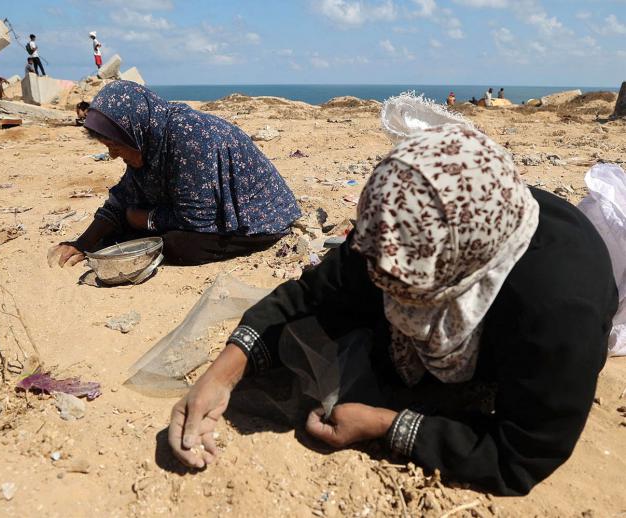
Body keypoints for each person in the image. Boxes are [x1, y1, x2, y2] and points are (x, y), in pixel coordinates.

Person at [167, 124, 618, 496]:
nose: (390, 291)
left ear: (454, 267)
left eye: (409, 288)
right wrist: (221, 375)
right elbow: (314, 293)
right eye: (381, 273)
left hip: (531, 332)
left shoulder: (558, 314)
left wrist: (382, 424)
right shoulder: (394, 227)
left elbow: (522, 456)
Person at [47, 81, 301, 267]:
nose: (113, 156)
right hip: (197, 211)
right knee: (120, 229)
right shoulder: (149, 137)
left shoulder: (188, 137)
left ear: (133, 132)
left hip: (257, 220)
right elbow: (123, 197)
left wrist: (147, 219)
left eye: (115, 147)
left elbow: (197, 218)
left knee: (178, 245)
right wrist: (81, 243)